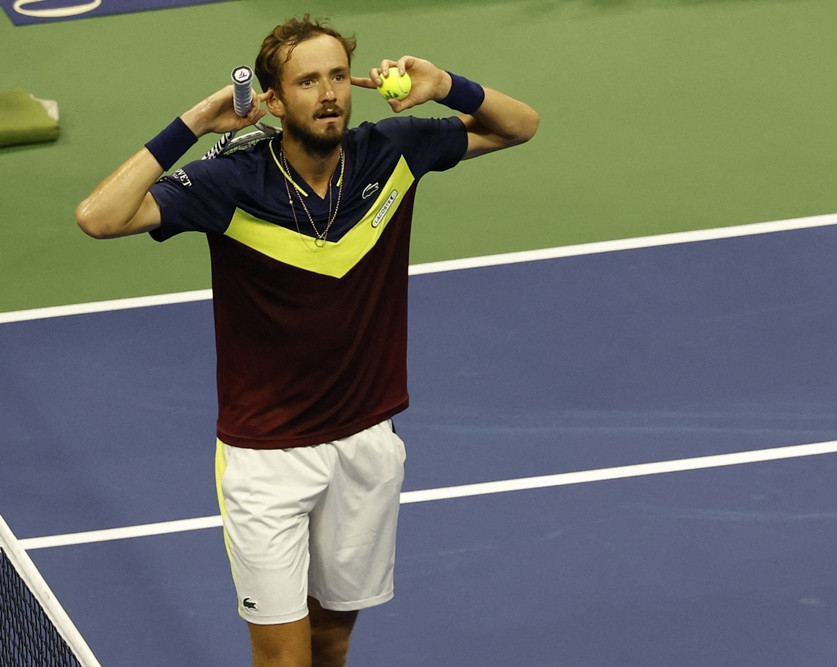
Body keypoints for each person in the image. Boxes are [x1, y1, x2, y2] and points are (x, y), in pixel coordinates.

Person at [76, 14, 538, 667]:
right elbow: (99, 217)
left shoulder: (393, 151)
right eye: (307, 81)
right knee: (284, 660)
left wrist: (446, 86)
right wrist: (197, 121)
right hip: (266, 456)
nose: (328, 94)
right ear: (273, 100)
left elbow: (520, 125)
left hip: (365, 443)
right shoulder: (229, 183)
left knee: (330, 641)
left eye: (336, 77)